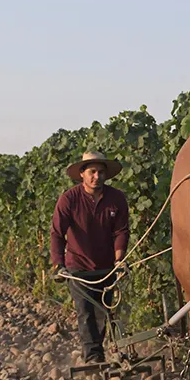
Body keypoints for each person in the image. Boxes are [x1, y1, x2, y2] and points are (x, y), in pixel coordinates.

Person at [50, 150, 130, 364]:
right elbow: (57, 233)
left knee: (104, 312)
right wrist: (58, 264)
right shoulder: (69, 199)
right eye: (92, 172)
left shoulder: (116, 198)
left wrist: (119, 259)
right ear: (82, 174)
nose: (97, 176)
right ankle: (93, 357)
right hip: (78, 268)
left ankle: (101, 351)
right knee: (85, 314)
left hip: (107, 268)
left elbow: (121, 231)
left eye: (101, 172)